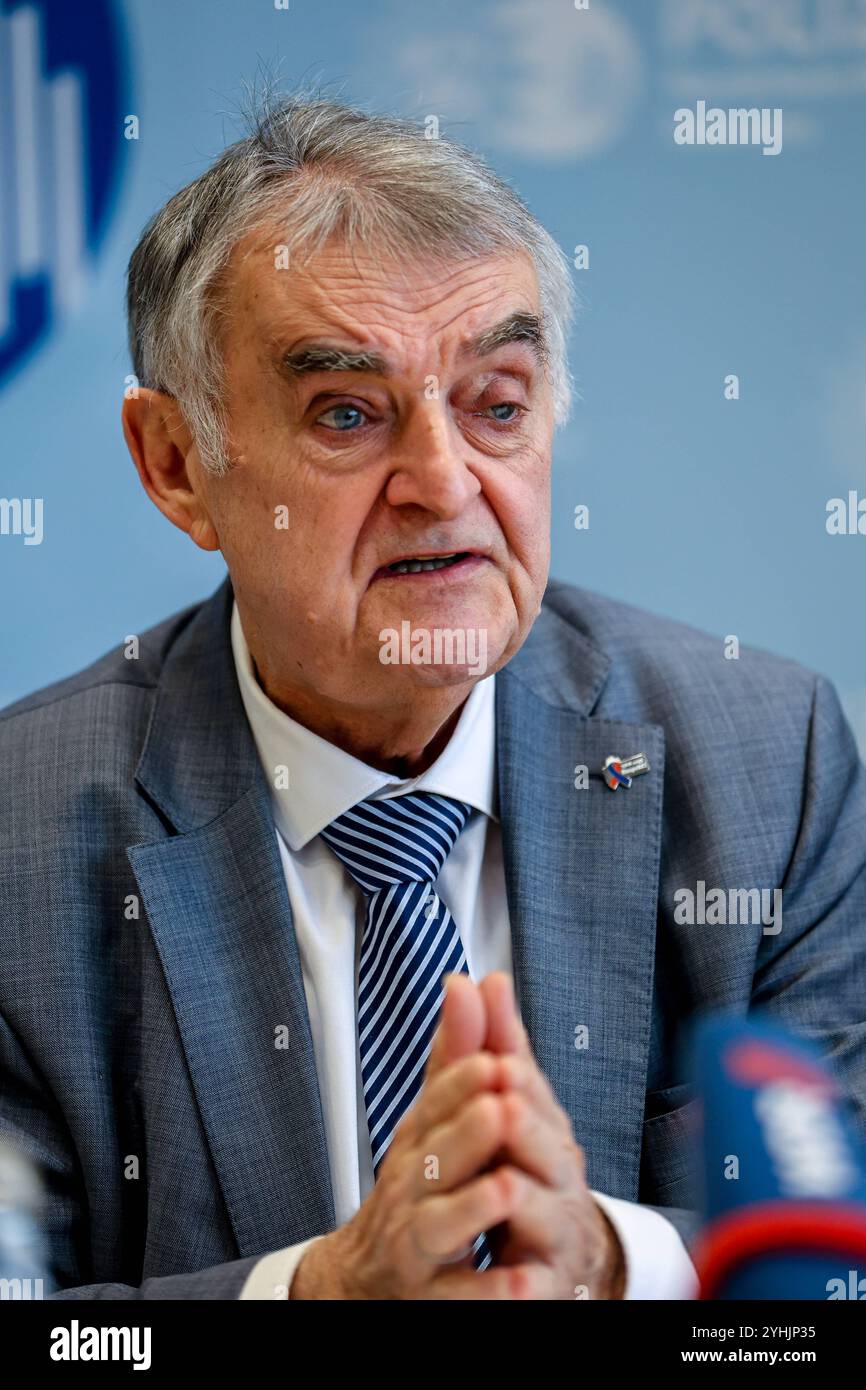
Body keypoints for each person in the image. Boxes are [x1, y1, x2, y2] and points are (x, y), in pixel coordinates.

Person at [1, 95, 864, 1301]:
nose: (444, 482)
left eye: (494, 402)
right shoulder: (17, 838)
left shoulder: (771, 766)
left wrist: (616, 1263)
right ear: (178, 466)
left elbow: (840, 1255)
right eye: (346, 414)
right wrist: (322, 1296)